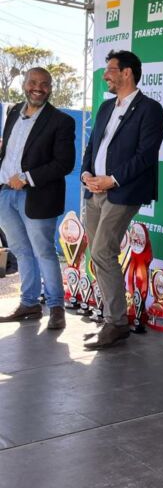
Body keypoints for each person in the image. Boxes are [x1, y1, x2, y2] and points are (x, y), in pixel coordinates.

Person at [81, 50, 163, 349]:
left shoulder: (150, 109)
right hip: (94, 190)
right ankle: (112, 318)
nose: (105, 75)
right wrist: (85, 174)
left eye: (110, 70)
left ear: (127, 72)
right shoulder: (105, 107)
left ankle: (116, 323)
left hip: (123, 191)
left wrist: (113, 179)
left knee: (103, 250)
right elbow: (92, 145)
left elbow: (145, 155)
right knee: (99, 253)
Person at [0, 68, 75, 329]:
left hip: (38, 195)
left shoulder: (61, 121)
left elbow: (64, 163)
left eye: (44, 84)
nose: (38, 88)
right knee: (20, 251)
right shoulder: (12, 112)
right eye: (33, 82)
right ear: (24, 84)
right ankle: (29, 303)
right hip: (5, 194)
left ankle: (56, 307)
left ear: (50, 88)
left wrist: (27, 177)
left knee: (43, 251)